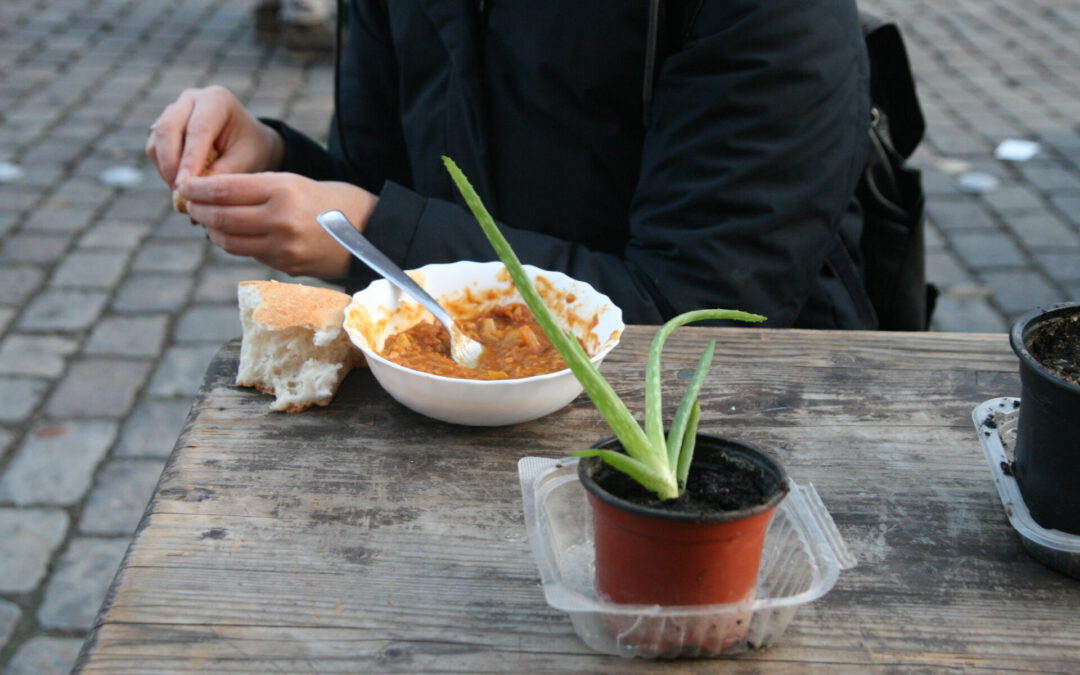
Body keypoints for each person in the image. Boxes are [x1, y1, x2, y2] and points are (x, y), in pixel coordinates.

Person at [147, 0, 872, 328]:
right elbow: (379, 181)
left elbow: (702, 310)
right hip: (455, 403)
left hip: (725, 443)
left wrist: (375, 231)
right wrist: (279, 159)